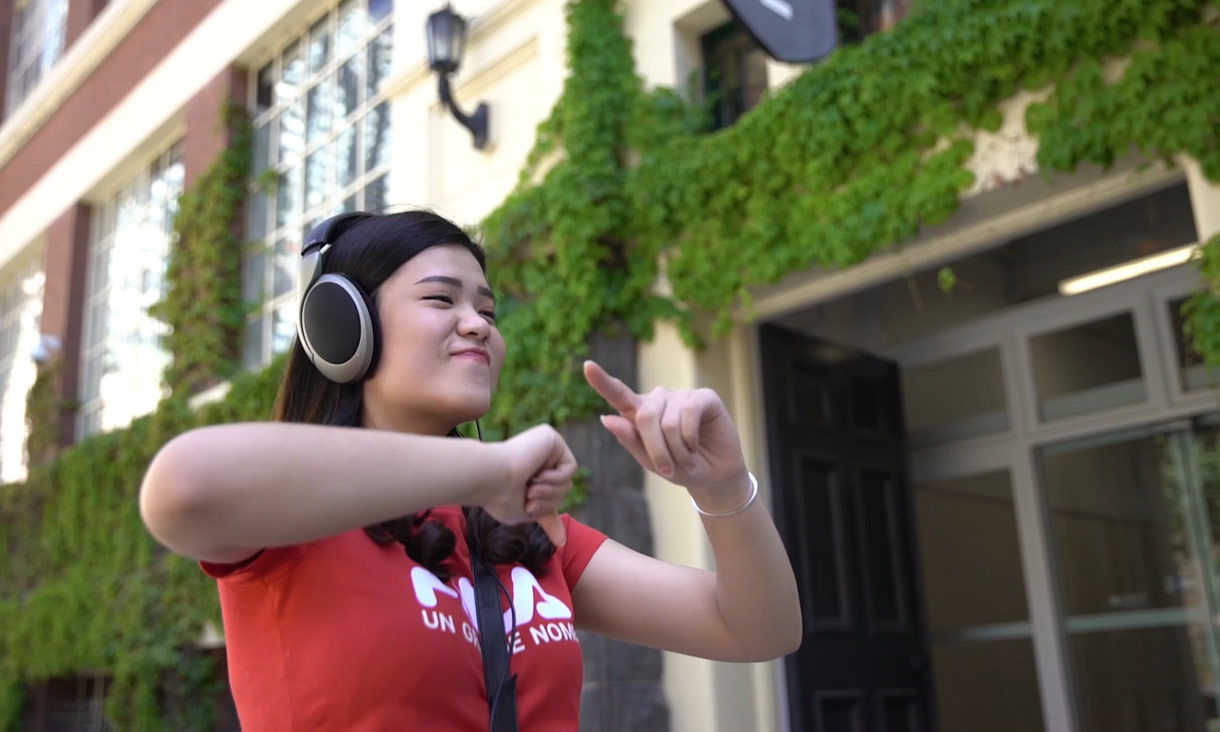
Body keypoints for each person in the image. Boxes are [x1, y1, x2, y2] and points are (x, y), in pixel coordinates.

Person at [139, 210, 801, 731]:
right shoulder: (288, 512)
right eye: (441, 300)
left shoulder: (526, 529)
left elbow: (756, 628)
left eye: (487, 310)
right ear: (344, 330)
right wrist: (483, 469)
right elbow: (180, 488)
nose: (477, 325)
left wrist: (720, 486)